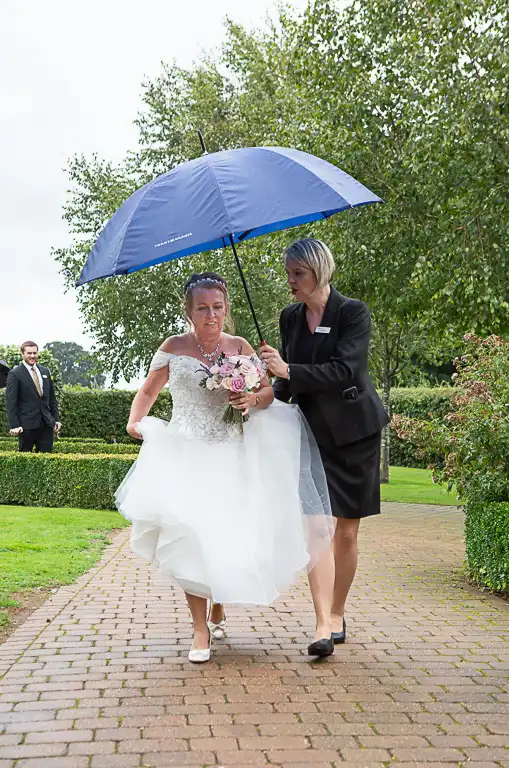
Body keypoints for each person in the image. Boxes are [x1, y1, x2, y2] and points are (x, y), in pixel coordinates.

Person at [116, 272, 335, 663]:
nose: (211, 315)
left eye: (217, 307)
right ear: (189, 311)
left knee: (226, 535)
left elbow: (267, 390)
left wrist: (252, 401)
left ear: (226, 309)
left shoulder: (239, 346)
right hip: (186, 452)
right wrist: (136, 421)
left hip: (233, 453)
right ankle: (201, 630)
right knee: (193, 536)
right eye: (203, 308)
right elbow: (149, 390)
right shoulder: (173, 347)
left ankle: (219, 602)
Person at [260, 238, 389, 646]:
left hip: (355, 435)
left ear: (320, 271)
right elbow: (285, 382)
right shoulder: (290, 318)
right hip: (311, 435)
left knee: (346, 533)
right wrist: (261, 400)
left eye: (297, 274)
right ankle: (320, 626)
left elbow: (345, 371)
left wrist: (289, 369)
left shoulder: (353, 313)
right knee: (317, 527)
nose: (290, 282)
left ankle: (337, 613)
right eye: (288, 274)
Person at [5, 341, 61, 452]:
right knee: (25, 462)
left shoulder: (45, 371)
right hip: (26, 426)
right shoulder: (15, 374)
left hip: (46, 424)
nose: (32, 356)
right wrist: (14, 425)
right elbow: (11, 402)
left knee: (46, 461)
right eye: (29, 353)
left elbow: (52, 399)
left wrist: (56, 419)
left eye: (34, 353)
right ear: (22, 354)